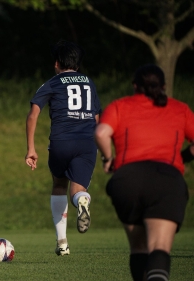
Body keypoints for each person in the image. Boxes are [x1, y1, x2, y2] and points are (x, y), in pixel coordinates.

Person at [95, 64, 194, 281]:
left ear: (134, 86)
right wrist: (184, 157)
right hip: (167, 180)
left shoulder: (120, 106)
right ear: (164, 86)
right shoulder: (180, 109)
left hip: (128, 180)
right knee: (159, 247)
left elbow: (101, 132)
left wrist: (108, 159)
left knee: (138, 247)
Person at [25, 40, 101, 256]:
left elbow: (33, 114)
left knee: (59, 184)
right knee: (78, 190)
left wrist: (31, 148)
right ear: (77, 64)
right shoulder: (89, 83)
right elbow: (96, 117)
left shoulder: (52, 83)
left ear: (57, 63)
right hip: (87, 141)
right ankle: (83, 202)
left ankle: (62, 243)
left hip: (61, 142)